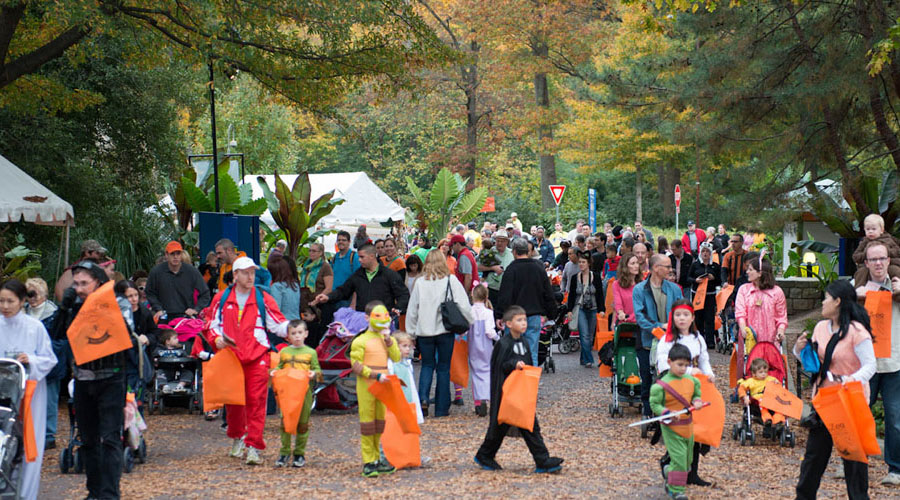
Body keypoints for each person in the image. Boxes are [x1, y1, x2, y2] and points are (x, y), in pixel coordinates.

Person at [795, 279, 876, 498]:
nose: (823, 303)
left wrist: (849, 380)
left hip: (850, 402)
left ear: (838, 301)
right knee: (814, 457)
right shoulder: (820, 328)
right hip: (824, 400)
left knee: (854, 460)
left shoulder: (857, 332)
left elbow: (871, 365)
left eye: (826, 298)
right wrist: (799, 350)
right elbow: (814, 364)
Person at [208, 256, 290, 465]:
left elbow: (277, 323)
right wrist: (216, 339)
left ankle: (254, 446)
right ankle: (238, 438)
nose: (250, 277)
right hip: (230, 358)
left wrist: (293, 330)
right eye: (246, 273)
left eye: (252, 272)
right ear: (235, 275)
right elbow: (211, 325)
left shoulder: (263, 298)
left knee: (257, 401)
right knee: (233, 402)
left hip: (257, 356)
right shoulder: (221, 298)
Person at [66, 260, 133, 499]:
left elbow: (127, 336)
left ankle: (109, 494)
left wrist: (102, 307)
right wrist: (65, 309)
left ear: (97, 282)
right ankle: (93, 492)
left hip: (111, 378)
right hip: (83, 379)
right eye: (76, 284)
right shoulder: (75, 304)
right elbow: (59, 336)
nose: (79, 288)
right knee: (88, 440)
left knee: (110, 439)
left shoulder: (119, 301)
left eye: (84, 283)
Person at [473, 305, 564, 474]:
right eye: (519, 320)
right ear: (508, 323)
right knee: (500, 426)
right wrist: (513, 364)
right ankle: (485, 454)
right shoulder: (503, 344)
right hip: (506, 394)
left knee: (529, 425)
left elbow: (528, 363)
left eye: (524, 320)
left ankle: (542, 459)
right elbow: (499, 366)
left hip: (520, 392)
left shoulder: (524, 342)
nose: (524, 323)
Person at [0, 279, 56, 500]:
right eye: (1, 301)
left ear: (22, 301)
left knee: (29, 443)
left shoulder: (35, 327)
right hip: (3, 394)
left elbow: (49, 359)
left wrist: (30, 360)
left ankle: (26, 495)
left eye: (10, 301)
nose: (5, 306)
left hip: (30, 394)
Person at [655, 300, 716, 488]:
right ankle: (669, 463)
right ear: (672, 318)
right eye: (678, 315)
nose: (682, 318)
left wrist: (709, 374)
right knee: (679, 429)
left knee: (696, 430)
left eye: (685, 315)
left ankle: (692, 473)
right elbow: (663, 364)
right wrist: (688, 371)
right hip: (675, 389)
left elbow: (704, 360)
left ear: (692, 318)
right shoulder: (667, 340)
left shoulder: (698, 338)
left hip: (696, 387)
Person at [406, 251, 474, 417]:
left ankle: (423, 398)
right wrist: (470, 321)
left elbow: (412, 310)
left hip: (424, 331)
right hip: (445, 330)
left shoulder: (420, 282)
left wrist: (411, 333)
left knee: (427, 365)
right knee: (443, 368)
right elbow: (464, 305)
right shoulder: (451, 280)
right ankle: (442, 408)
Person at [855, 242, 900, 486]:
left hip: (895, 362)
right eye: (873, 259)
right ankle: (853, 463)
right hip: (865, 363)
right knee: (859, 413)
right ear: (866, 263)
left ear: (889, 260)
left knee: (895, 418)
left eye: (882, 258)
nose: (879, 263)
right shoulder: (858, 286)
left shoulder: (898, 284)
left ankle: (896, 469)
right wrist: (855, 296)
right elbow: (836, 306)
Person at [350, 301, 401, 477]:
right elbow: (356, 366)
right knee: (367, 424)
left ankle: (377, 458)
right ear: (367, 318)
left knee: (380, 423)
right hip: (367, 386)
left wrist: (388, 340)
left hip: (383, 386)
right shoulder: (360, 341)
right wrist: (375, 375)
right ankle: (369, 461)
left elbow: (396, 357)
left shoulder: (386, 339)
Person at [649, 344, 703, 500]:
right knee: (679, 459)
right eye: (680, 364)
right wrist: (667, 412)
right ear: (669, 362)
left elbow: (696, 394)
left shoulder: (692, 381)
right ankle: (676, 490)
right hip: (671, 428)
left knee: (687, 461)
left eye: (686, 365)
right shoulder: (661, 385)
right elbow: (655, 405)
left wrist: (697, 401)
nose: (683, 368)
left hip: (688, 426)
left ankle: (669, 471)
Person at [633, 254, 684, 418]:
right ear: (655, 268)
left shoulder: (674, 289)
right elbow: (640, 317)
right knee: (647, 378)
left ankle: (669, 411)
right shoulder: (640, 289)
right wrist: (659, 326)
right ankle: (648, 413)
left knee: (671, 377)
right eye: (667, 266)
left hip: (671, 341)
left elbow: (682, 311)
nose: (670, 269)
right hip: (647, 342)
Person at [496, 238, 558, 366]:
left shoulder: (511, 269)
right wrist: (551, 314)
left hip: (514, 317)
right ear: (528, 251)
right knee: (532, 353)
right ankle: (531, 378)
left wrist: (499, 315)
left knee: (513, 354)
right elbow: (547, 293)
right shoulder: (538, 268)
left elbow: (505, 296)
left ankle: (515, 377)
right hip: (534, 315)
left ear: (514, 251)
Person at [272, 319, 321, 468]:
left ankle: (299, 453)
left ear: (306, 333)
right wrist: (274, 371)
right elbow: (279, 366)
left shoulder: (311, 352)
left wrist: (314, 374)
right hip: (287, 393)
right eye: (293, 333)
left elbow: (318, 370)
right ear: (288, 336)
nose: (297, 336)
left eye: (300, 332)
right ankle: (284, 452)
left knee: (303, 423)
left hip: (304, 393)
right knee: (285, 421)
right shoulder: (284, 352)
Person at [312, 244, 409, 315]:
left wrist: (397, 309)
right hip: (363, 321)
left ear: (372, 256)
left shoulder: (389, 275)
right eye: (359, 257)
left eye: (362, 257)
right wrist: (328, 297)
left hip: (383, 322)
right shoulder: (358, 275)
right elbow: (343, 290)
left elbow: (403, 294)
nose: (359, 260)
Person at [145, 241, 210, 323]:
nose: (175, 257)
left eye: (178, 253)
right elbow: (149, 292)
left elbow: (205, 293)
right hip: (164, 317)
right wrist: (158, 308)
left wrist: (196, 309)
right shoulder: (156, 272)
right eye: (172, 254)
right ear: (166, 255)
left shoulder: (192, 271)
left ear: (181, 255)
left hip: (186, 317)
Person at [735, 256, 787, 350]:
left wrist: (781, 331)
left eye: (750, 269)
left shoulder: (777, 292)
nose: (747, 272)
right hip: (749, 339)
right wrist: (743, 329)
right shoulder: (744, 290)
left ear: (760, 273)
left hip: (771, 341)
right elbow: (740, 313)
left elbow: (781, 317)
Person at [565, 250, 603, 368]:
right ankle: (589, 360)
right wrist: (569, 310)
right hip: (580, 308)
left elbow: (600, 295)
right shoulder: (575, 278)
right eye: (580, 262)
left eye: (583, 262)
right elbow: (571, 296)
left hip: (593, 308)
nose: (581, 264)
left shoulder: (595, 277)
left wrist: (602, 309)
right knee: (584, 335)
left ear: (588, 263)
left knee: (590, 336)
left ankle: (583, 358)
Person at [469, 285, 498, 417]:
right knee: (487, 371)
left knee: (475, 372)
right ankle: (488, 397)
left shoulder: (469, 311)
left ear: (472, 295)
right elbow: (489, 331)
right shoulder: (488, 313)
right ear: (486, 296)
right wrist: (498, 339)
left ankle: (478, 400)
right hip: (486, 346)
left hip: (473, 346)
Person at [736, 358, 784, 436]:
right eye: (761, 372)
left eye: (765, 372)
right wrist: (745, 397)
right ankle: (767, 419)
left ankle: (778, 421)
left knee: (780, 406)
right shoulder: (751, 381)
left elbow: (780, 387)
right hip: (758, 401)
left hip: (771, 400)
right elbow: (741, 388)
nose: (764, 374)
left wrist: (777, 383)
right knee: (762, 402)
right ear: (754, 373)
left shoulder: (771, 379)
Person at [687, 243, 722, 347]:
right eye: (703, 251)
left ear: (711, 253)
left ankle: (710, 341)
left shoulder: (715, 266)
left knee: (709, 317)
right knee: (698, 318)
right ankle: (699, 339)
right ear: (700, 253)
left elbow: (720, 281)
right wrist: (695, 280)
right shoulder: (695, 264)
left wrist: (713, 278)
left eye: (707, 251)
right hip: (697, 295)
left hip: (710, 295)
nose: (705, 253)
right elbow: (688, 278)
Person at [852, 213, 900, 285]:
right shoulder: (864, 242)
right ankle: (859, 289)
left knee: (895, 270)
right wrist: (867, 253)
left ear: (881, 230)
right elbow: (855, 256)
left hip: (890, 264)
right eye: (868, 229)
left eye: (873, 229)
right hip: (868, 266)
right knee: (861, 273)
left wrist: (886, 251)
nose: (870, 231)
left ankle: (897, 288)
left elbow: (897, 251)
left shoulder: (888, 240)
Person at [480, 229, 514, 306]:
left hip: (506, 291)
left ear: (507, 242)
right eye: (498, 241)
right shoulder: (489, 252)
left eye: (502, 241)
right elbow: (478, 267)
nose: (499, 243)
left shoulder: (511, 254)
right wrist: (492, 268)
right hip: (490, 290)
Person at [298, 243, 333, 313]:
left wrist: (315, 301)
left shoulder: (325, 266)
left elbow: (329, 288)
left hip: (319, 305)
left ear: (320, 253)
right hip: (305, 303)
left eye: (314, 251)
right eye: (310, 250)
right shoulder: (306, 266)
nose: (311, 253)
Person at [331, 231, 360, 310]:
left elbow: (358, 281)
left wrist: (354, 302)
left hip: (347, 299)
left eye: (344, 240)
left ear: (349, 242)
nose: (341, 242)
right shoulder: (335, 258)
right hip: (334, 296)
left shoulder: (354, 257)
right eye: (339, 240)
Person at [268, 255, 301, 321]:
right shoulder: (295, 284)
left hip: (283, 322)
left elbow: (275, 310)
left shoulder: (277, 286)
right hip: (296, 321)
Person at [612, 253, 642, 325]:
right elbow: (618, 303)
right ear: (625, 267)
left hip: (640, 323)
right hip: (625, 323)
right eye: (633, 263)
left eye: (637, 263)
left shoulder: (642, 284)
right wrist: (620, 312)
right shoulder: (616, 284)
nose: (636, 266)